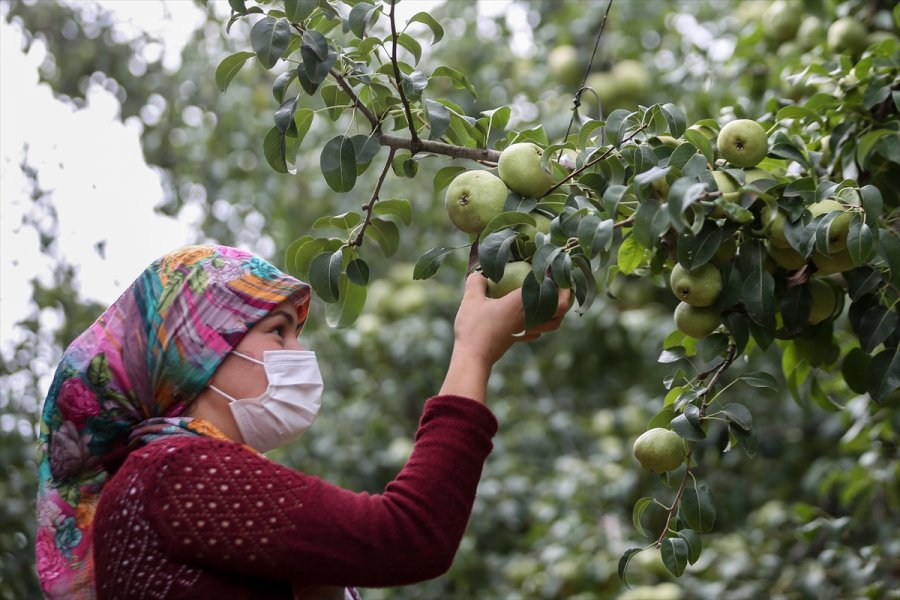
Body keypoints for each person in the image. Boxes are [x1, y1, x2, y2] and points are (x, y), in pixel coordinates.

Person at [35, 244, 570, 599]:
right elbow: (408, 536)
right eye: (279, 331)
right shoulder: (172, 470)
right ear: (199, 349)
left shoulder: (157, 478)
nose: (298, 353)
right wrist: (473, 351)